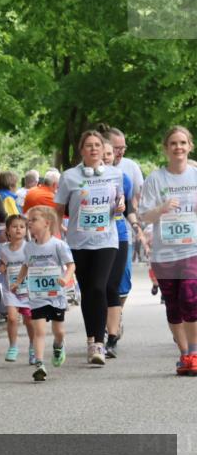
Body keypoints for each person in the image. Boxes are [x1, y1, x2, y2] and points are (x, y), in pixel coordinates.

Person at [54, 130, 124, 365]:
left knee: (98, 287)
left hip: (107, 240)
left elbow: (118, 202)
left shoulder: (115, 174)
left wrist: (119, 207)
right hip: (78, 242)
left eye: (97, 145)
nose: (94, 149)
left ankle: (99, 345)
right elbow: (58, 208)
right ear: (81, 150)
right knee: (87, 291)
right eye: (89, 146)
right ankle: (91, 338)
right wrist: (56, 234)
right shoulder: (69, 177)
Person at [138, 126, 197, 376]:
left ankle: (194, 352)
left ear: (190, 147)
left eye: (183, 143)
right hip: (164, 254)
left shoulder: (195, 176)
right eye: (173, 143)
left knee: (190, 299)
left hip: (192, 248)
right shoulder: (155, 179)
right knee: (172, 305)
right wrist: (161, 208)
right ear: (166, 148)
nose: (178, 147)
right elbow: (143, 215)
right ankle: (184, 355)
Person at [13, 205, 75, 382]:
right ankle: (39, 364)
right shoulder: (29, 247)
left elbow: (71, 265)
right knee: (39, 330)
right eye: (29, 220)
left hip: (56, 295)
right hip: (37, 296)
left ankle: (58, 345)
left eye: (33, 220)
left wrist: (65, 277)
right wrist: (18, 282)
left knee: (59, 331)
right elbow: (26, 265)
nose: (29, 223)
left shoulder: (58, 245)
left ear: (47, 223)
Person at [101, 139, 140, 358]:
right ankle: (97, 335)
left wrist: (134, 224)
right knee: (97, 288)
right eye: (104, 153)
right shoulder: (81, 179)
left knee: (114, 286)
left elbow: (129, 209)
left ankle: (111, 336)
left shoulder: (121, 177)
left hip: (118, 236)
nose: (107, 156)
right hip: (91, 240)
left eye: (110, 153)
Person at [0, 214, 34, 363]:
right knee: (12, 318)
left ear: (26, 230)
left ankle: (32, 346)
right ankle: (13, 346)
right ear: (8, 230)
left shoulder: (29, 247)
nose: (18, 229)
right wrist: (2, 267)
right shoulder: (4, 249)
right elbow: (2, 265)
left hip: (27, 289)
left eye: (22, 227)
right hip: (10, 289)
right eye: (14, 226)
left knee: (29, 320)